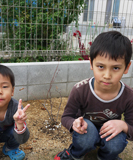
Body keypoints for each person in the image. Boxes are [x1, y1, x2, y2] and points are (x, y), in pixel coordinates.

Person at [54, 31, 133, 160]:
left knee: (117, 141)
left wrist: (123, 125)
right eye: (101, 66)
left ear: (127, 67)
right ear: (91, 64)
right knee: (87, 132)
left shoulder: (128, 96)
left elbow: (132, 128)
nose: (107, 75)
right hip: (85, 131)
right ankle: (75, 154)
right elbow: (66, 117)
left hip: (109, 133)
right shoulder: (80, 90)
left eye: (116, 68)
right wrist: (74, 123)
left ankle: (106, 156)